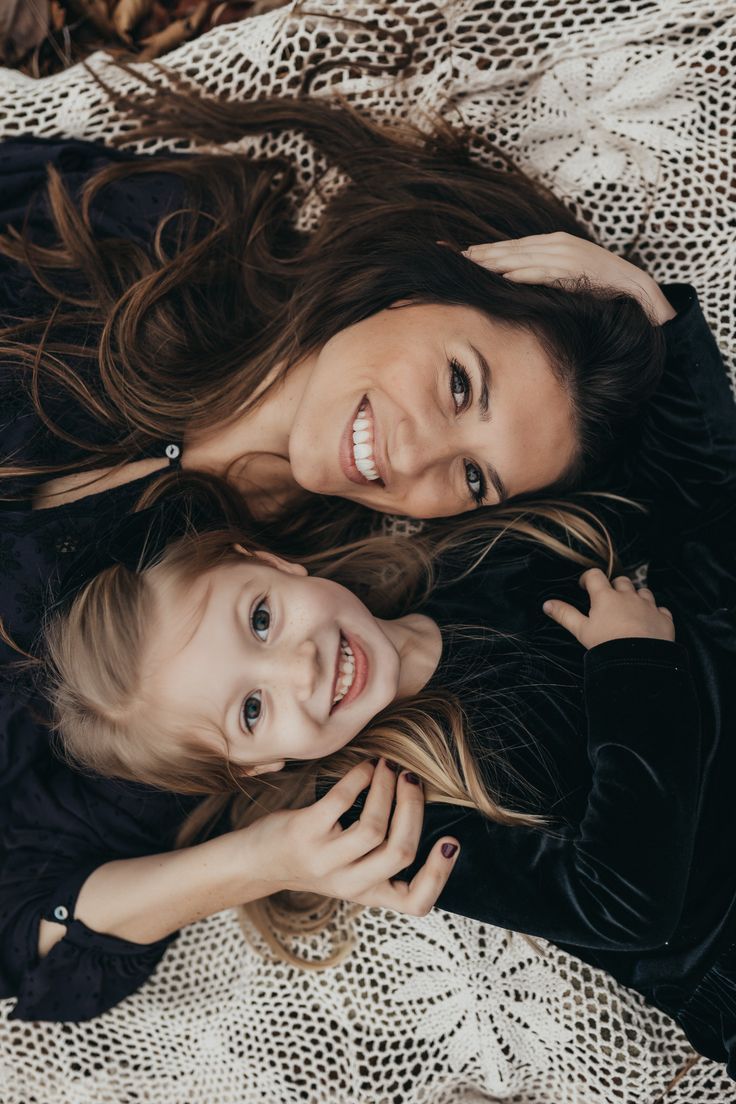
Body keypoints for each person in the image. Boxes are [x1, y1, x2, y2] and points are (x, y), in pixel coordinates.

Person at [0, 80, 673, 1021]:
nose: (420, 458)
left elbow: (35, 930)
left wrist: (264, 859)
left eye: (474, 479)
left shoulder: (188, 657)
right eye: (456, 384)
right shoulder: (162, 237)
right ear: (425, 279)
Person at [41, 269, 736, 1078]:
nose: (298, 665)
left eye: (261, 620)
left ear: (270, 563)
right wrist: (634, 668)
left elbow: (698, 510)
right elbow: (627, 908)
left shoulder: (480, 557)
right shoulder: (394, 816)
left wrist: (658, 317)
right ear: (261, 765)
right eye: (254, 710)